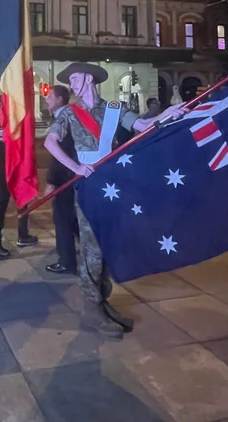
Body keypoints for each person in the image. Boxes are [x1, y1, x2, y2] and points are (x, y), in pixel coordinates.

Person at [45, 62, 183, 338]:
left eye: (75, 78)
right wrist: (76, 168)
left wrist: (169, 114)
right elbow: (50, 143)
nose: (71, 84)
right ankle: (91, 308)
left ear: (88, 79)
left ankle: (102, 301)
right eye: (70, 80)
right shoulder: (70, 113)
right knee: (91, 248)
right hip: (89, 188)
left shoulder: (114, 108)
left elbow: (143, 124)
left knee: (108, 245)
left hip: (113, 186)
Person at [0, 96, 37, 258]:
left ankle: (21, 235)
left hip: (11, 170)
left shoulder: (8, 121)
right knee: (0, 207)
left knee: (19, 203)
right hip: (1, 173)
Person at [44, 85, 79, 274]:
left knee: (63, 220)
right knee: (73, 218)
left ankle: (66, 260)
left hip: (66, 178)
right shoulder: (69, 116)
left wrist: (51, 180)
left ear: (59, 99)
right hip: (72, 176)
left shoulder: (64, 118)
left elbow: (59, 153)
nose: (45, 99)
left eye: (49, 96)